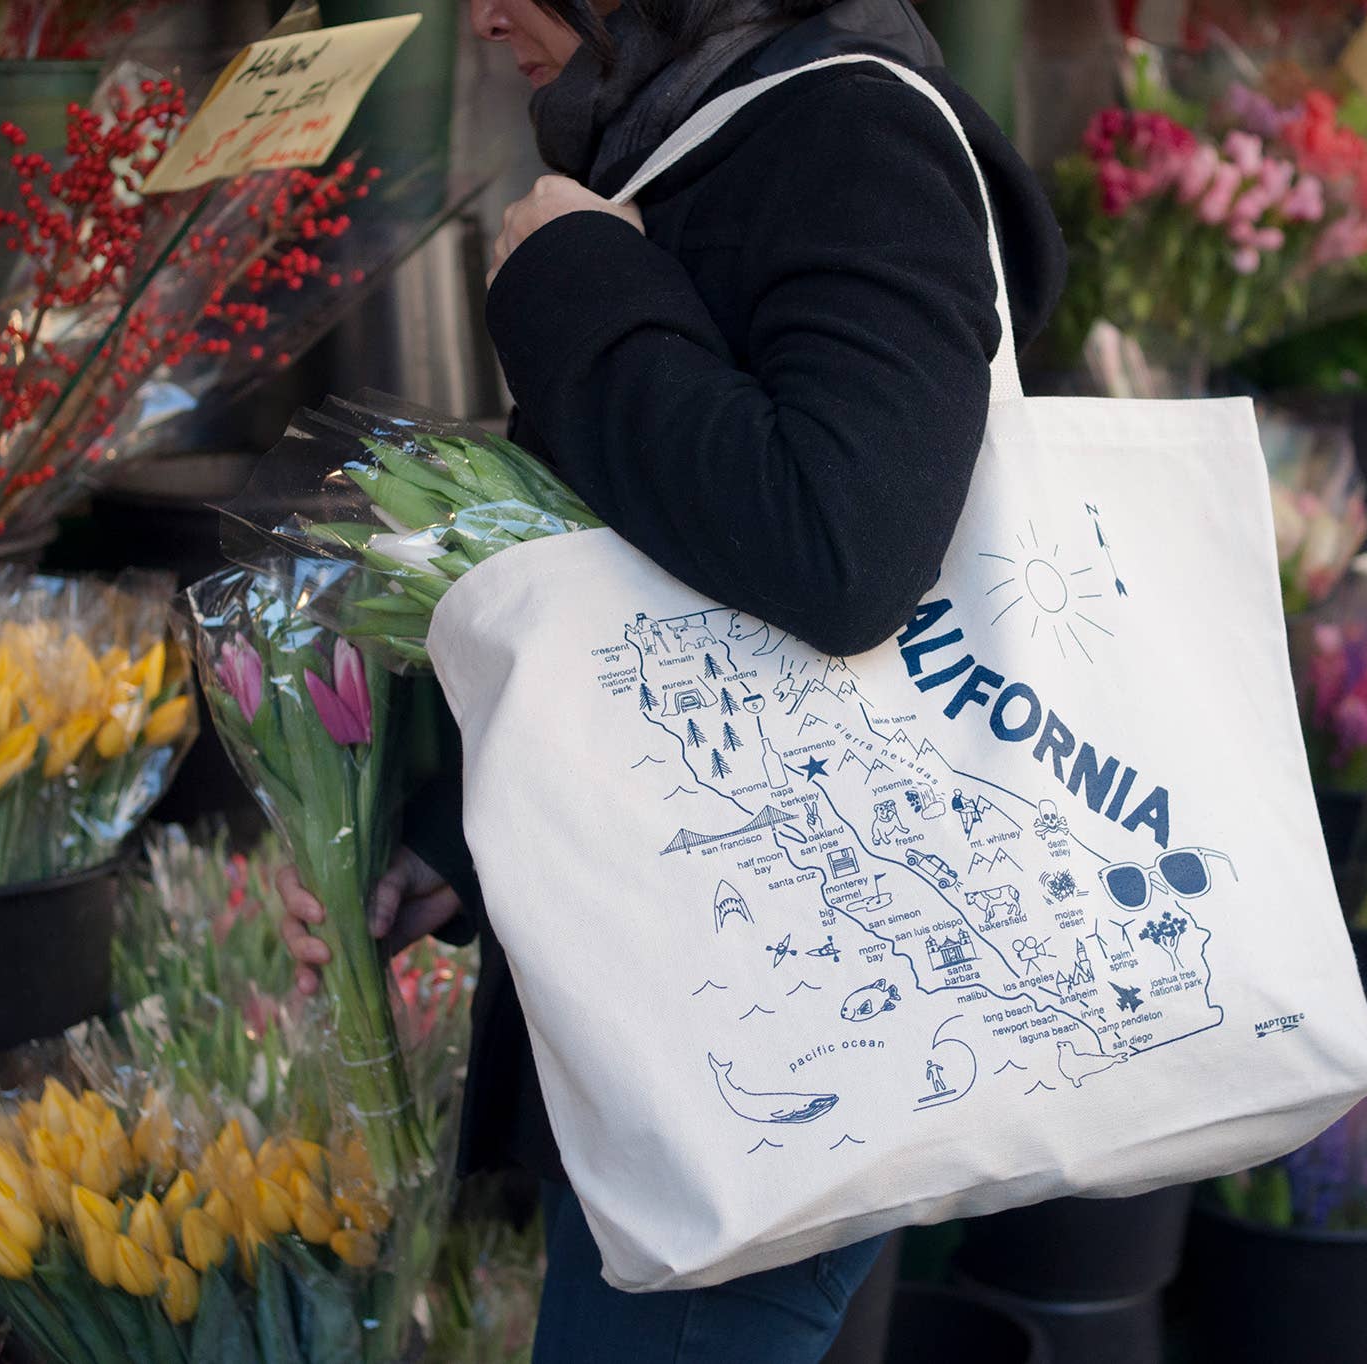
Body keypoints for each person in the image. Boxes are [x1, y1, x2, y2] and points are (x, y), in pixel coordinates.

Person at [277, 0, 1066, 1358]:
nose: (480, 19)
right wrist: (463, 825)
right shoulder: (711, 130)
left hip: (782, 1045)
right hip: (722, 995)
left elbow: (842, 551)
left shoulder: (849, 131)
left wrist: (581, 279)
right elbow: (656, 561)